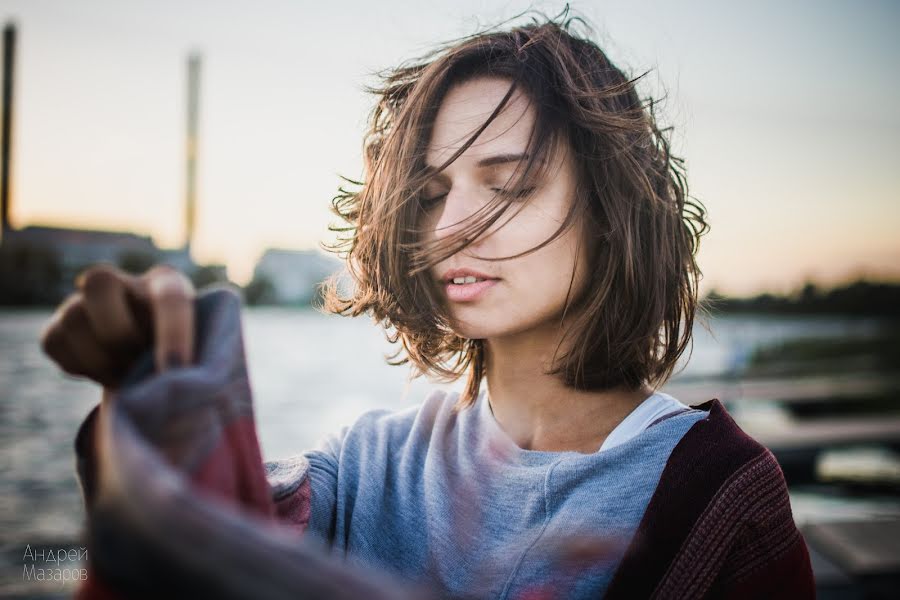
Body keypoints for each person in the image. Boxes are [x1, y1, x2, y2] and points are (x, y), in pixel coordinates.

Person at [40, 11, 815, 599]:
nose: (448, 228)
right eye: (431, 194)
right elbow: (208, 538)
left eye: (509, 185)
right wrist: (149, 392)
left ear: (613, 209)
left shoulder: (721, 493)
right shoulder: (364, 466)